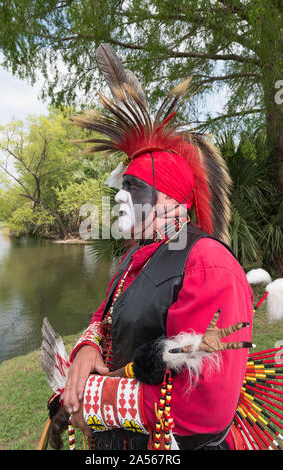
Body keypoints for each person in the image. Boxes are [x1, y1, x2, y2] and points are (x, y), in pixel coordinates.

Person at [56, 44, 254, 450]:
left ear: (172, 201)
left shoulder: (208, 264)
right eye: (122, 186)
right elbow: (108, 313)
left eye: (134, 187)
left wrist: (89, 401)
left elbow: (206, 406)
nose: (118, 198)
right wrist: (87, 347)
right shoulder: (135, 254)